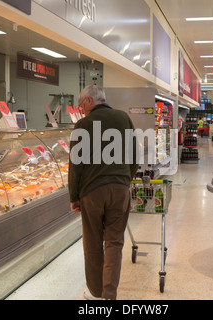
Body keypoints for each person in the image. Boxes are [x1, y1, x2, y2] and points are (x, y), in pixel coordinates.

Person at [68, 85, 139, 300]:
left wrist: (74, 196)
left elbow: (75, 165)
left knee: (93, 243)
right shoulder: (123, 118)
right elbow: (134, 155)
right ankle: (109, 295)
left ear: (89, 100)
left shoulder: (83, 124)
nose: (81, 110)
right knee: (114, 243)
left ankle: (96, 293)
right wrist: (126, 180)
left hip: (92, 190)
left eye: (81, 105)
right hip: (120, 187)